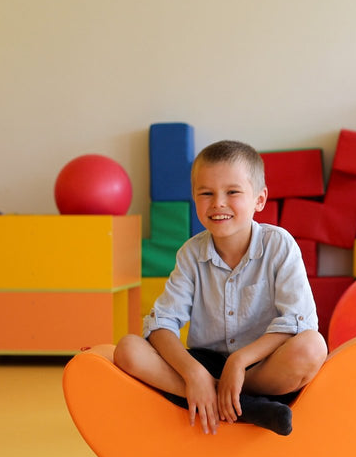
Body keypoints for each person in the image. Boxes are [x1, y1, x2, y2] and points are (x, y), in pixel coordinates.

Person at [114, 140, 327, 435]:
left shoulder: (279, 245)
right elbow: (161, 324)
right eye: (206, 193)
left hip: (260, 366)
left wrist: (240, 361)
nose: (218, 203)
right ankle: (240, 404)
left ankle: (231, 393)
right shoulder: (191, 253)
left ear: (259, 199)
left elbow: (297, 321)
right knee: (128, 349)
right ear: (194, 198)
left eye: (233, 192)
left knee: (312, 346)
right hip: (206, 361)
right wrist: (194, 373)